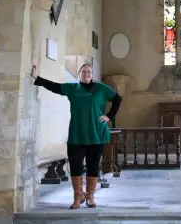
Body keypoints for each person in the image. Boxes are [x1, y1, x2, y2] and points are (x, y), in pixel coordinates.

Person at [31, 62, 122, 209]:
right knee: (75, 166)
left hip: (96, 134)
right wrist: (37, 78)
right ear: (79, 74)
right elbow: (55, 87)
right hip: (77, 134)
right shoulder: (73, 88)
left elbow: (117, 98)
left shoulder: (100, 88)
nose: (86, 74)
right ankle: (78, 197)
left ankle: (90, 197)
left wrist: (109, 116)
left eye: (88, 72)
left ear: (92, 75)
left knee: (93, 165)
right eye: (83, 72)